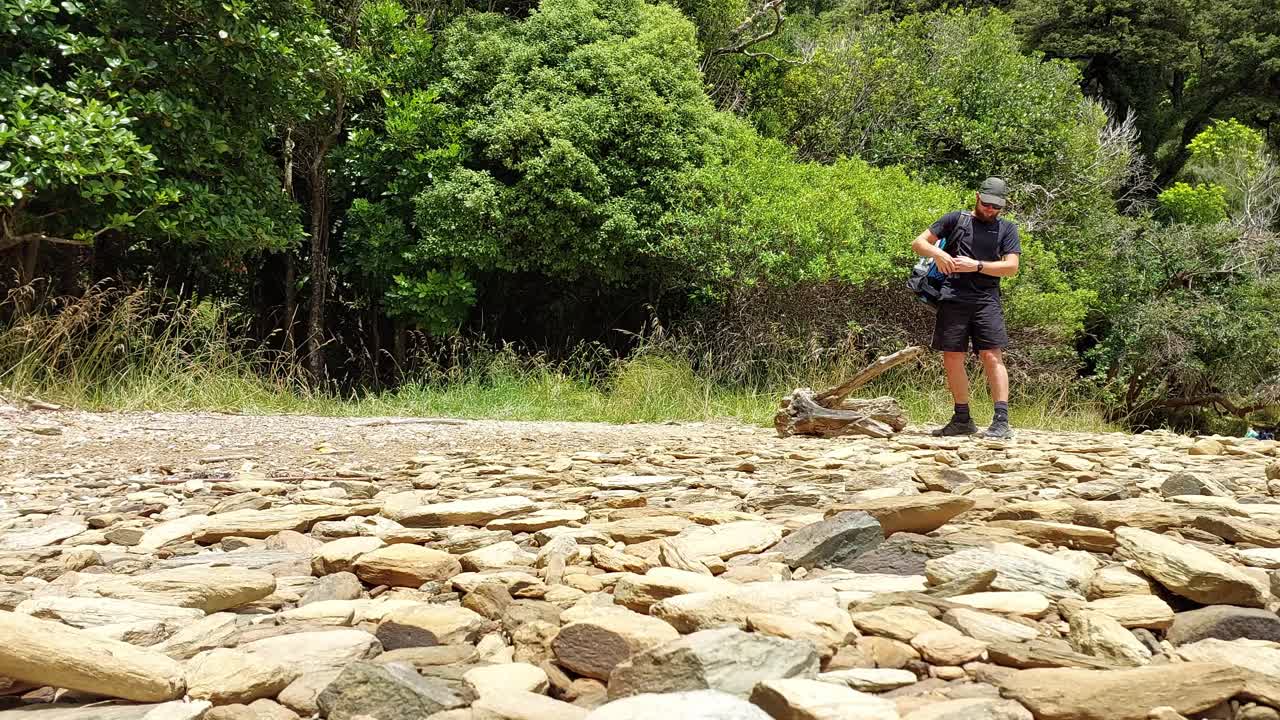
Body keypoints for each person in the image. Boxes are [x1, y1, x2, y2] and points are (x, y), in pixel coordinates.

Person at [911, 177, 1022, 439]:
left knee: (992, 355)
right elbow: (919, 243)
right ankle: (962, 418)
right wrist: (938, 254)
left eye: (996, 207)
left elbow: (1011, 267)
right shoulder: (955, 219)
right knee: (952, 357)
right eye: (986, 204)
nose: (990, 210)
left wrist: (977, 265)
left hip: (987, 299)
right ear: (977, 197)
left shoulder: (1007, 229)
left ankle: (1001, 421)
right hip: (952, 296)